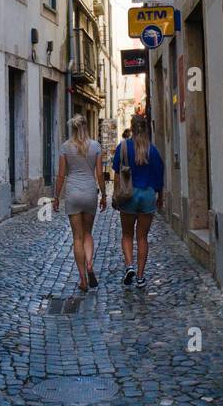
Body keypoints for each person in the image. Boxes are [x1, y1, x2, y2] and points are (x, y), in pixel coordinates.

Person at [53, 115, 107, 292]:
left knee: (77, 237)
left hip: (73, 194)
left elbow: (61, 175)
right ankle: (90, 264)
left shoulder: (65, 147)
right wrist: (104, 194)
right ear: (86, 127)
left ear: (73, 129)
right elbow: (99, 174)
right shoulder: (95, 146)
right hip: (90, 193)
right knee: (88, 234)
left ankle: (83, 279)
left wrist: (55, 197)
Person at [112, 114, 164, 288]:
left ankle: (129, 266)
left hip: (129, 195)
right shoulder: (153, 150)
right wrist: (160, 196)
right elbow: (159, 175)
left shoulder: (123, 147)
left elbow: (117, 174)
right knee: (142, 238)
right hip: (147, 195)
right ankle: (141, 277)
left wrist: (115, 195)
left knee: (127, 235)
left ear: (132, 128)